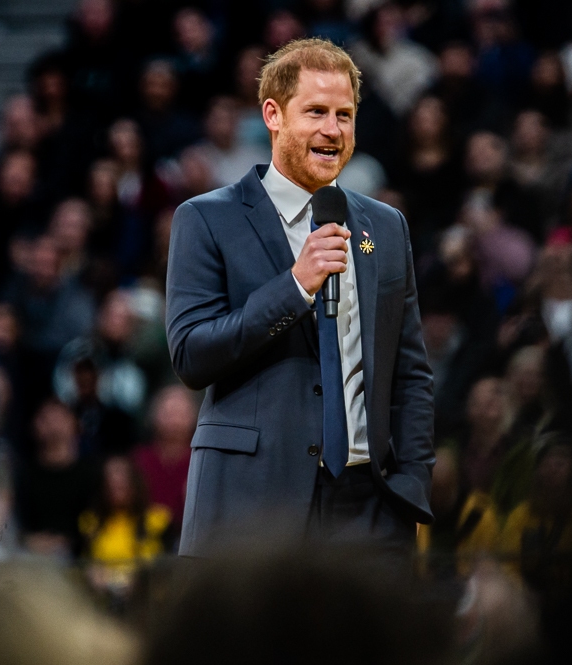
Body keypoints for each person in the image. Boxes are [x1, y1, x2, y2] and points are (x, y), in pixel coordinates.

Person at [165, 38, 435, 557]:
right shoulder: (205, 218)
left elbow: (411, 371)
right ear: (273, 114)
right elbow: (192, 355)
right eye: (316, 112)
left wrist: (411, 483)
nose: (333, 130)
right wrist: (294, 287)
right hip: (251, 506)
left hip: (370, 513)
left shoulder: (384, 225)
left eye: (345, 115)